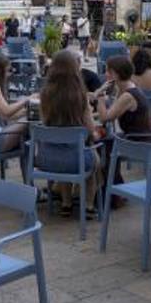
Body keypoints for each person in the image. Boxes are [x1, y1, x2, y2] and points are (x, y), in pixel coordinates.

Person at [37, 50, 102, 217]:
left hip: (48, 158)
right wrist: (95, 134)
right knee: (93, 161)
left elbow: (44, 122)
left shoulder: (45, 94)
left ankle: (66, 203)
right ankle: (88, 205)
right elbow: (90, 128)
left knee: (64, 151)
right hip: (76, 159)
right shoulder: (80, 96)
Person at [99, 55, 151, 139]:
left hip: (138, 143)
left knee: (99, 141)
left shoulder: (128, 96)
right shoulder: (127, 88)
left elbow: (105, 118)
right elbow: (113, 112)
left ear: (116, 74)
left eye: (108, 71)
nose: (105, 74)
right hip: (137, 139)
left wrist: (100, 95)